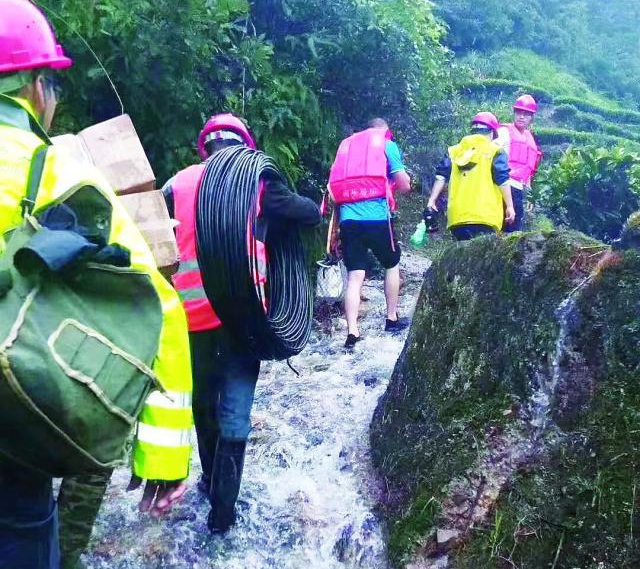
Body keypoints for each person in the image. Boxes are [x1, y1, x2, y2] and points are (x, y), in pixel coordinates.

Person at [0, 0, 193, 569]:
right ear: (35, 88)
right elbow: (158, 306)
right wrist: (163, 455)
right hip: (12, 447)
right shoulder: (55, 166)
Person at [163, 113, 321, 534]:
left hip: (186, 320)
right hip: (239, 317)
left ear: (206, 146)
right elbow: (308, 215)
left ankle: (207, 481)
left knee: (203, 406)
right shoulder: (256, 183)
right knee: (235, 413)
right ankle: (222, 515)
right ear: (243, 146)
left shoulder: (174, 184)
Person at [328, 118, 411, 349]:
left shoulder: (347, 146)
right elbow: (403, 184)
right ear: (384, 130)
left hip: (348, 220)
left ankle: (352, 333)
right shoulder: (387, 144)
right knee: (391, 263)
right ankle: (391, 318)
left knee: (355, 275)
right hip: (376, 218)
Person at [426, 112, 515, 241]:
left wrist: (431, 201)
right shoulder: (495, 151)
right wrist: (510, 207)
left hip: (457, 219)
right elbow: (503, 180)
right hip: (486, 218)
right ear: (491, 134)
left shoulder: (454, 151)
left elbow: (441, 177)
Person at [495, 94, 543, 232]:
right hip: (502, 185)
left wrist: (529, 195)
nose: (521, 117)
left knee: (514, 230)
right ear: (514, 113)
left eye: (526, 114)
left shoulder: (530, 139)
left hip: (518, 189)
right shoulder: (503, 132)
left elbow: (528, 170)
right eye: (518, 112)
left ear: (531, 118)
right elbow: (489, 154)